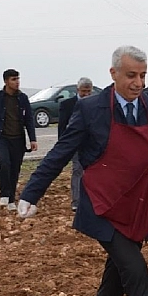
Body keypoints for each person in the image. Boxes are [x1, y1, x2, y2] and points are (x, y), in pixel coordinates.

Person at [16, 45, 148, 296]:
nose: (138, 83)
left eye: (143, 76)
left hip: (136, 207)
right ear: (113, 73)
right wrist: (32, 192)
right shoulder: (91, 109)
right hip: (102, 207)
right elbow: (62, 152)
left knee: (116, 278)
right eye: (131, 75)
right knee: (137, 277)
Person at [0, 68, 38, 210]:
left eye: (18, 79)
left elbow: (29, 119)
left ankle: (10, 200)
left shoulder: (23, 98)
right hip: (1, 138)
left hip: (18, 139)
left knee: (15, 168)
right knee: (4, 163)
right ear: (6, 81)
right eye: (13, 79)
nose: (17, 82)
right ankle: (4, 193)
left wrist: (33, 139)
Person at [58, 77, 94, 211]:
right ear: (77, 90)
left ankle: (91, 200)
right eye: (84, 91)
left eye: (89, 91)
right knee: (77, 170)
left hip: (92, 144)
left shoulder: (94, 103)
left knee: (91, 171)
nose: (86, 94)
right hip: (75, 143)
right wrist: (63, 146)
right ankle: (76, 202)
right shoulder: (67, 105)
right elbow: (62, 127)